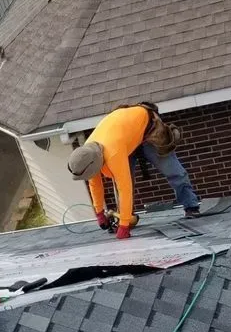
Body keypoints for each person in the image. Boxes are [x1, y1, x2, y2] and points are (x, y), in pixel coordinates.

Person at [66, 102, 200, 239]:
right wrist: (99, 213)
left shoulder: (113, 153)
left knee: (172, 170)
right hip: (126, 137)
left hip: (148, 129)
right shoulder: (87, 153)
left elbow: (125, 187)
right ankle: (127, 217)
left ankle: (191, 205)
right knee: (121, 182)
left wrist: (124, 227)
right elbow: (95, 183)